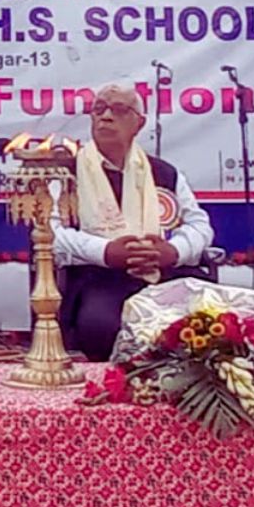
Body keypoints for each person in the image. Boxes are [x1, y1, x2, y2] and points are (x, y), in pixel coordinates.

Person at [53, 83, 214, 361]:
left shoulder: (163, 172)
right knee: (101, 328)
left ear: (139, 123)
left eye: (118, 109)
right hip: (99, 276)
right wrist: (105, 251)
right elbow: (51, 234)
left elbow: (200, 226)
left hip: (163, 272)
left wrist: (174, 251)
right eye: (99, 109)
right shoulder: (66, 173)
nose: (106, 116)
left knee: (208, 323)